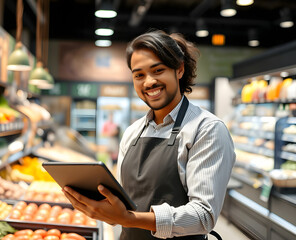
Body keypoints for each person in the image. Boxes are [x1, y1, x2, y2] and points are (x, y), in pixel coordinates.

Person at [62, 30, 235, 239]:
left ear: (179, 70)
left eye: (158, 70)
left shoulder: (206, 129)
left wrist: (129, 219)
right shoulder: (132, 132)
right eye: (139, 75)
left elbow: (203, 216)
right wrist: (100, 208)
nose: (149, 82)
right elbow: (124, 206)